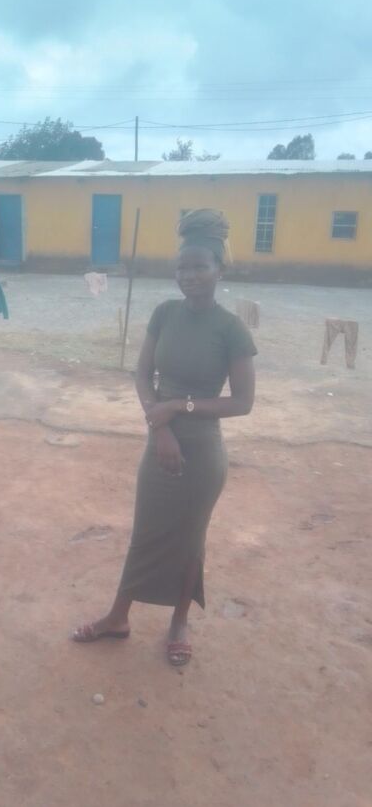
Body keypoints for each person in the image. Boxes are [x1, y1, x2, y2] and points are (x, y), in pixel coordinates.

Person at [73, 209, 257, 667]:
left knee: (190, 539)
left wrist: (177, 407)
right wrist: (161, 427)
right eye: (182, 267)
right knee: (146, 533)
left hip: (203, 453)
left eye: (199, 266)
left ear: (219, 270)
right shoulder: (164, 314)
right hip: (160, 442)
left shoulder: (231, 329)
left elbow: (242, 402)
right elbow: (142, 375)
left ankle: (179, 622)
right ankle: (118, 617)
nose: (189, 275)